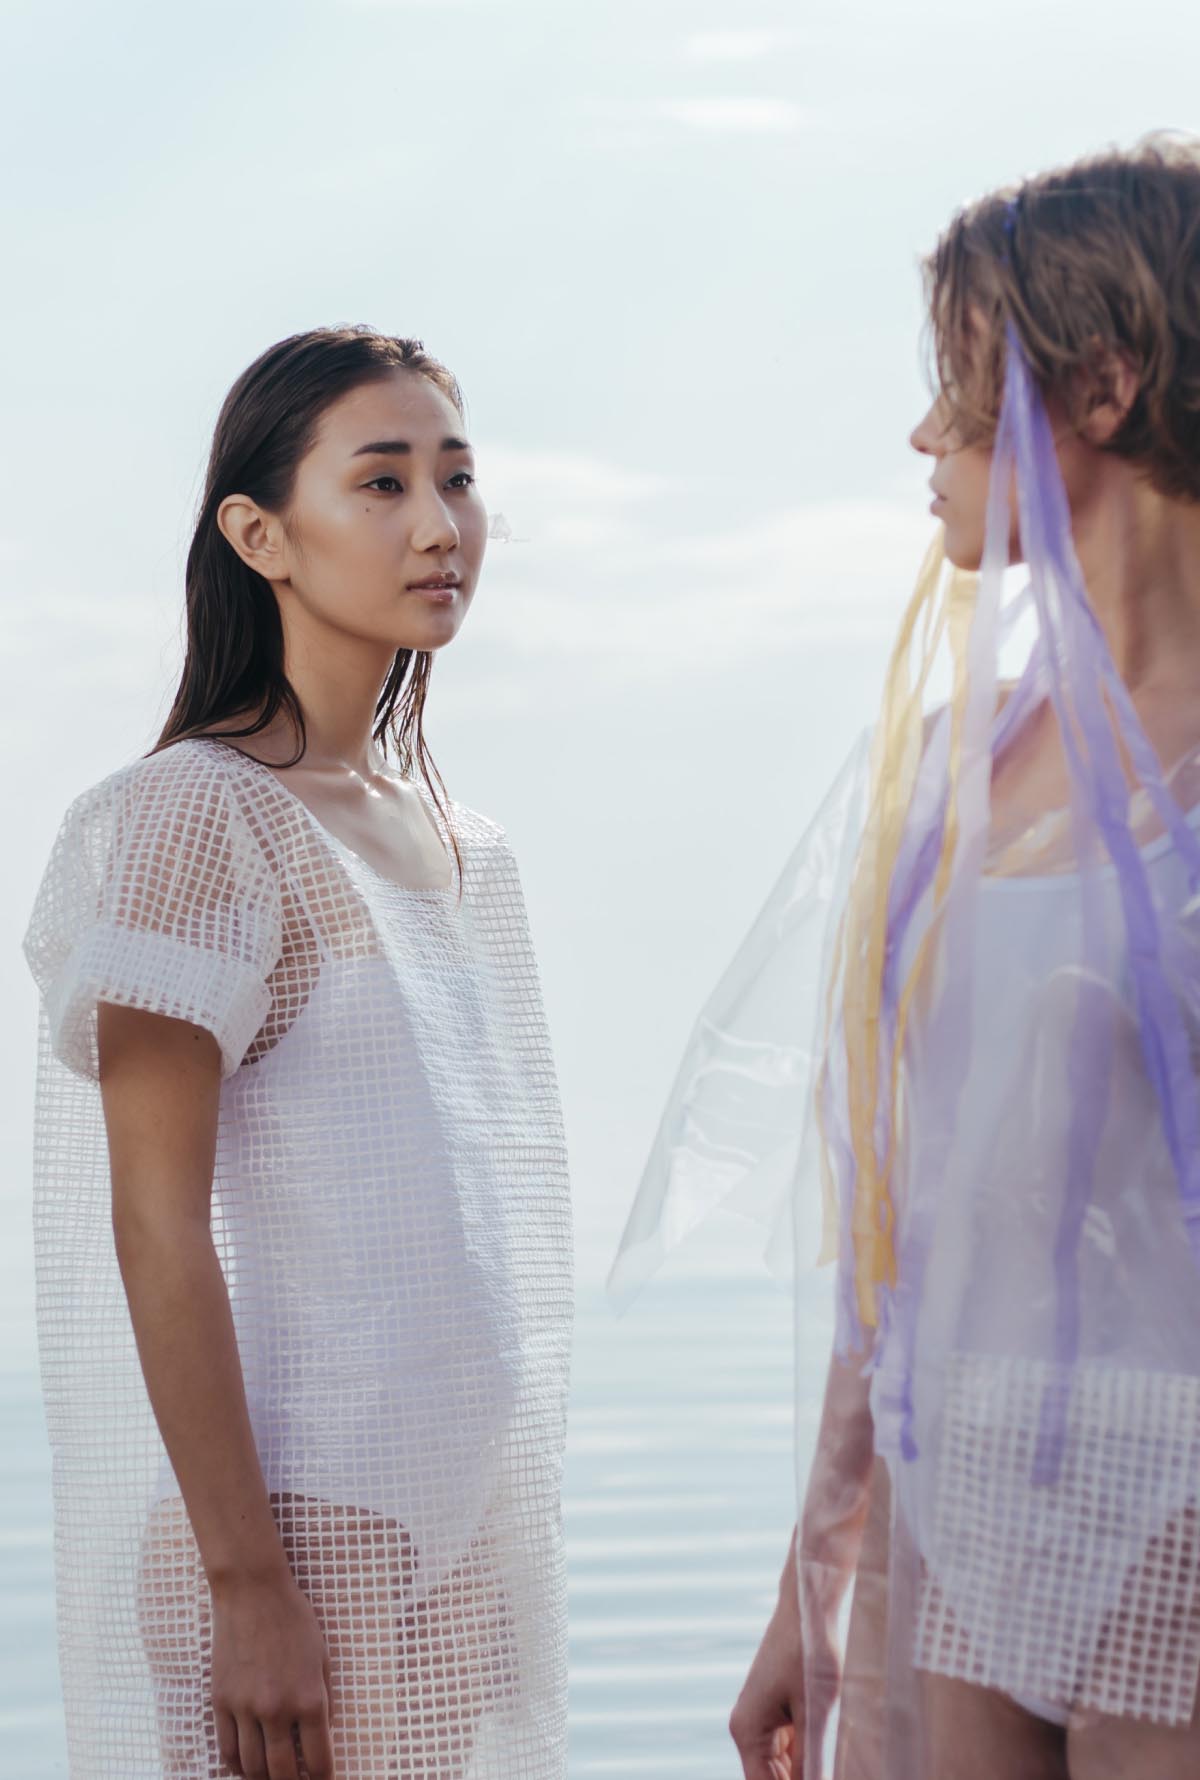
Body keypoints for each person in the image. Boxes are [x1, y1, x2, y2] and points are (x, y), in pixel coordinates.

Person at [608, 134, 1200, 1778]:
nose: (927, 436)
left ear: (1104, 386)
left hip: (1180, 1500)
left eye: (961, 381)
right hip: (961, 1503)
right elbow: (897, 1235)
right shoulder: (955, 762)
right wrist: (812, 1583)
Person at [21, 326, 573, 1780]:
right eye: (382, 483)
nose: (440, 525)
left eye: (458, 479)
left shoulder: (465, 845)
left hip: (461, 1524)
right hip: (301, 1532)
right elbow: (156, 1223)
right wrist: (246, 1585)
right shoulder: (194, 816)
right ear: (258, 534)